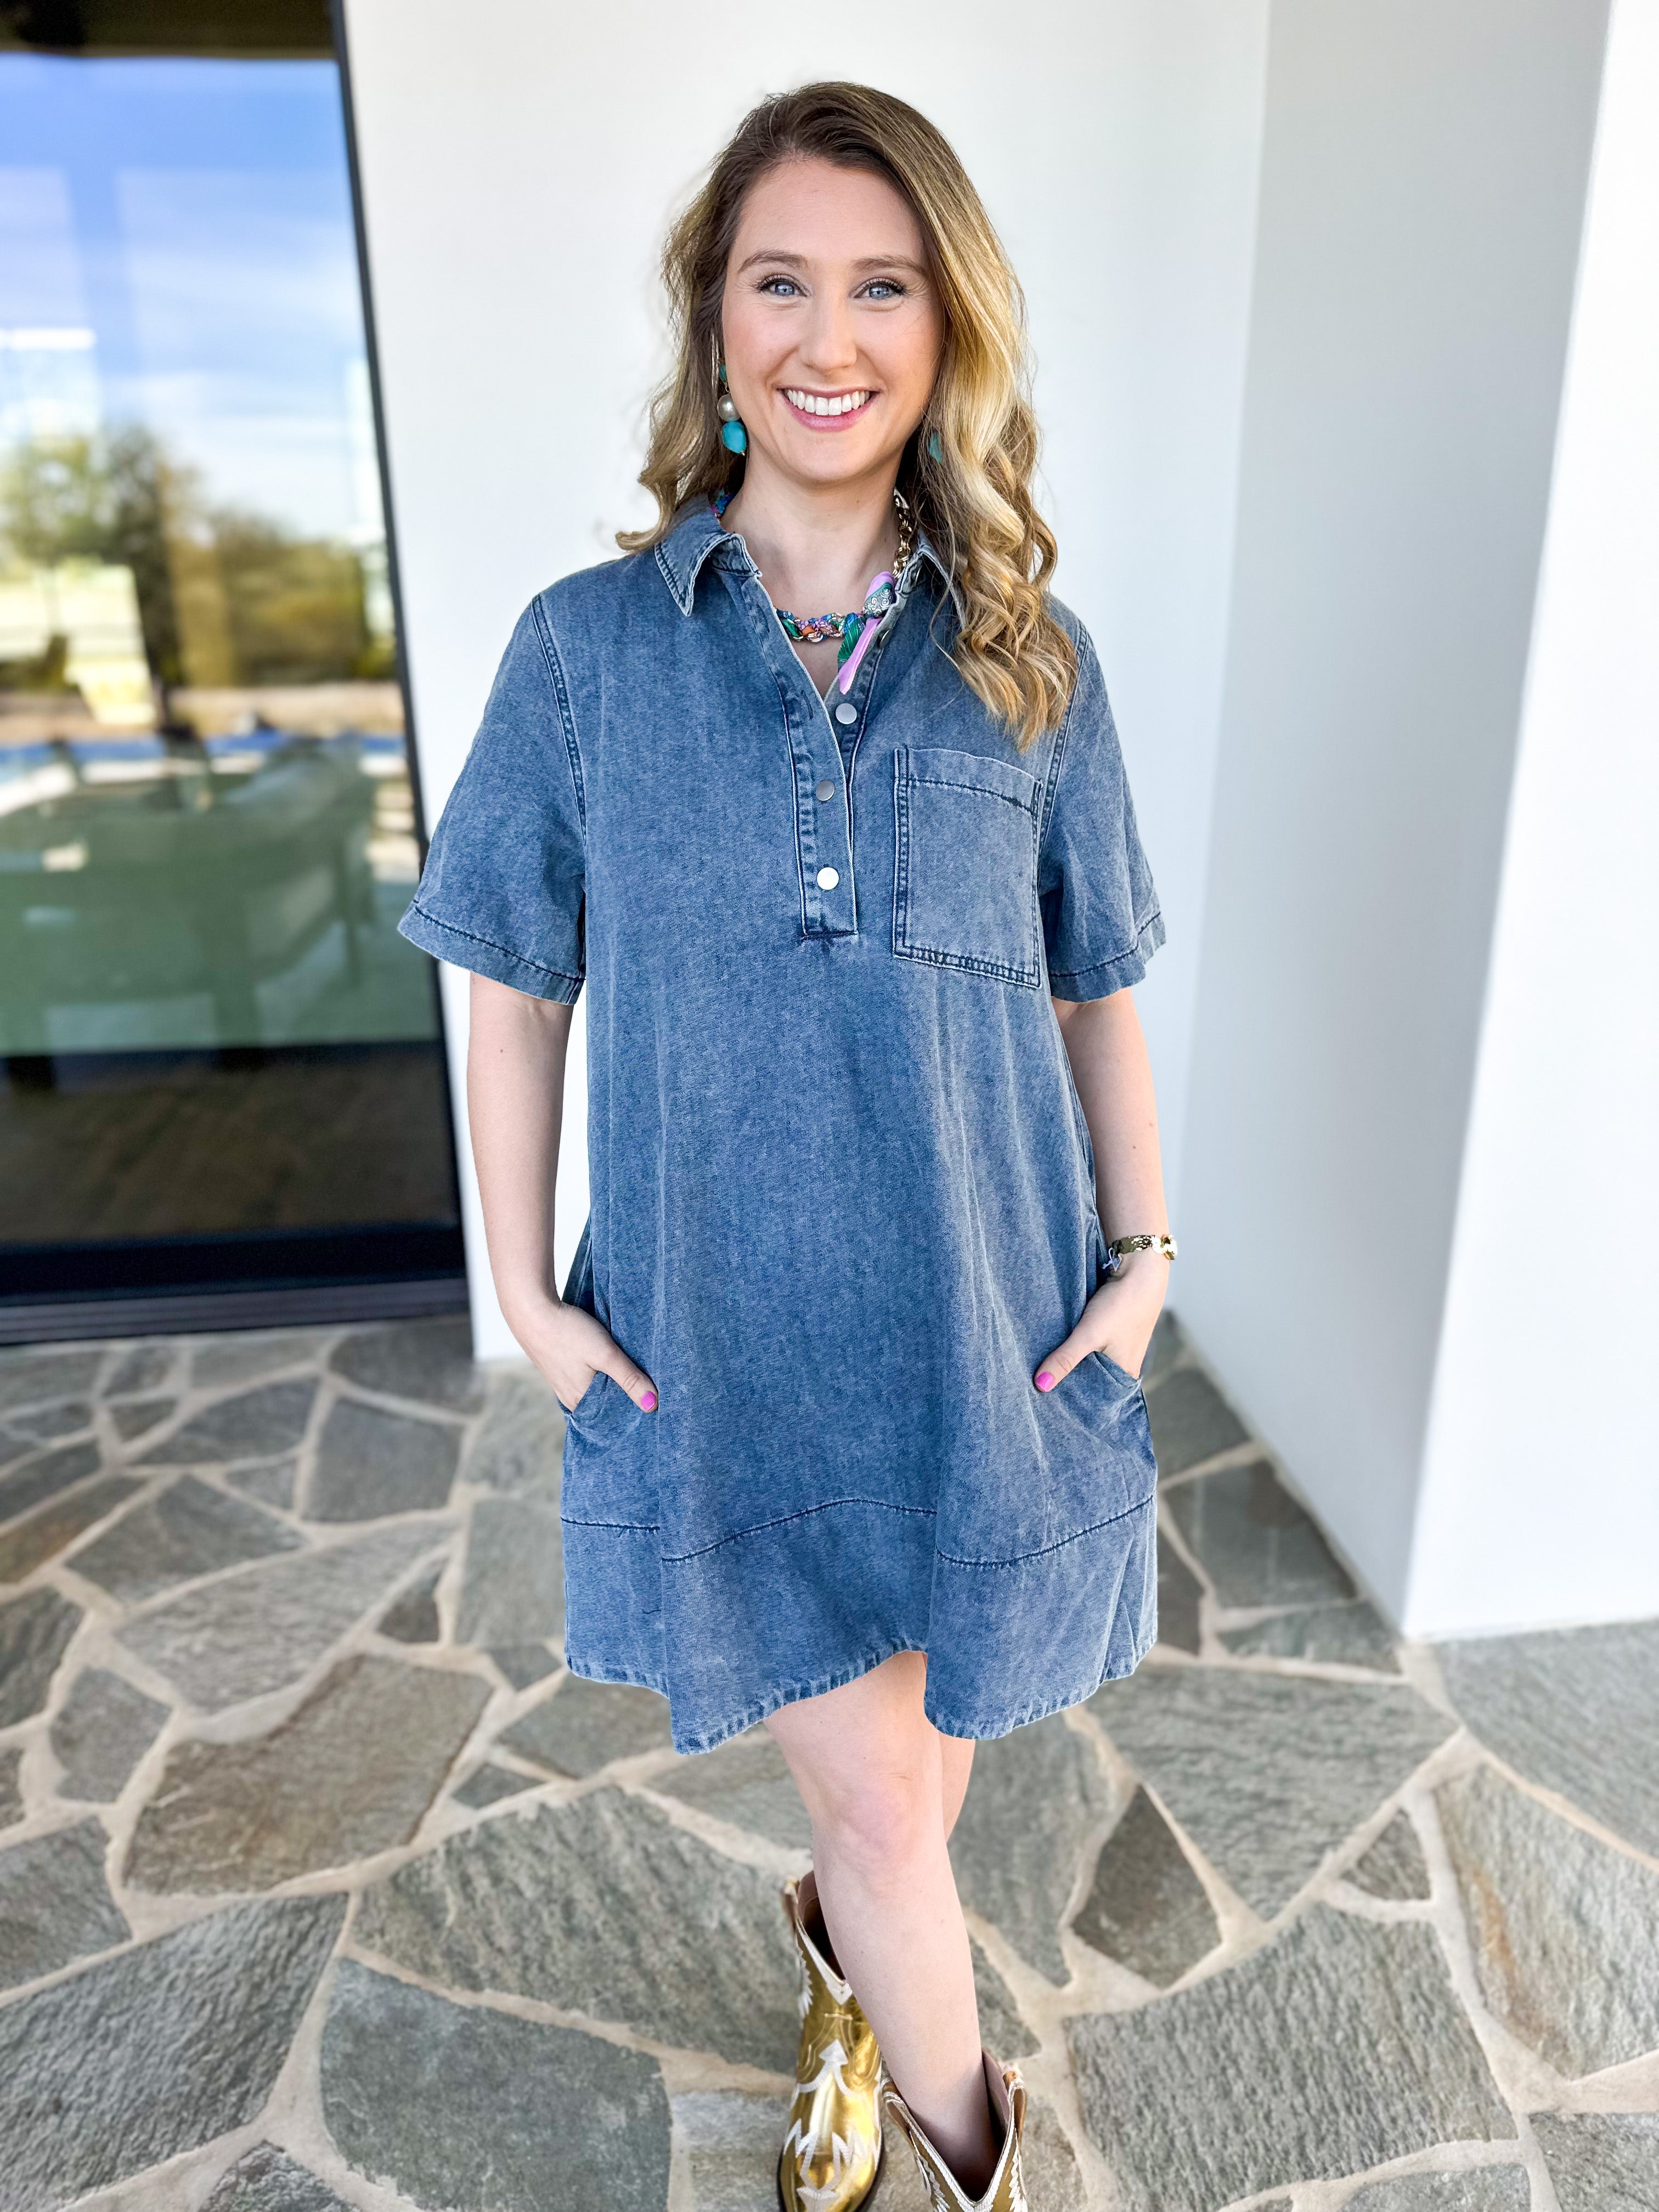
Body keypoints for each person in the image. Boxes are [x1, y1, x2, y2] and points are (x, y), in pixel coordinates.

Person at [399, 81, 1171, 2212]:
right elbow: (510, 982)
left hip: (989, 1334)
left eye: (883, 286)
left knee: (914, 1784)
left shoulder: (1033, 661)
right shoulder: (584, 654)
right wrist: (526, 1292)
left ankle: (840, 1965)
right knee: (897, 1813)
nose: (829, 338)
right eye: (781, 283)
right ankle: (968, 2147)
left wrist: (1143, 1267)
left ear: (947, 329)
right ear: (717, 324)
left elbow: (1095, 986)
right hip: (734, 1346)